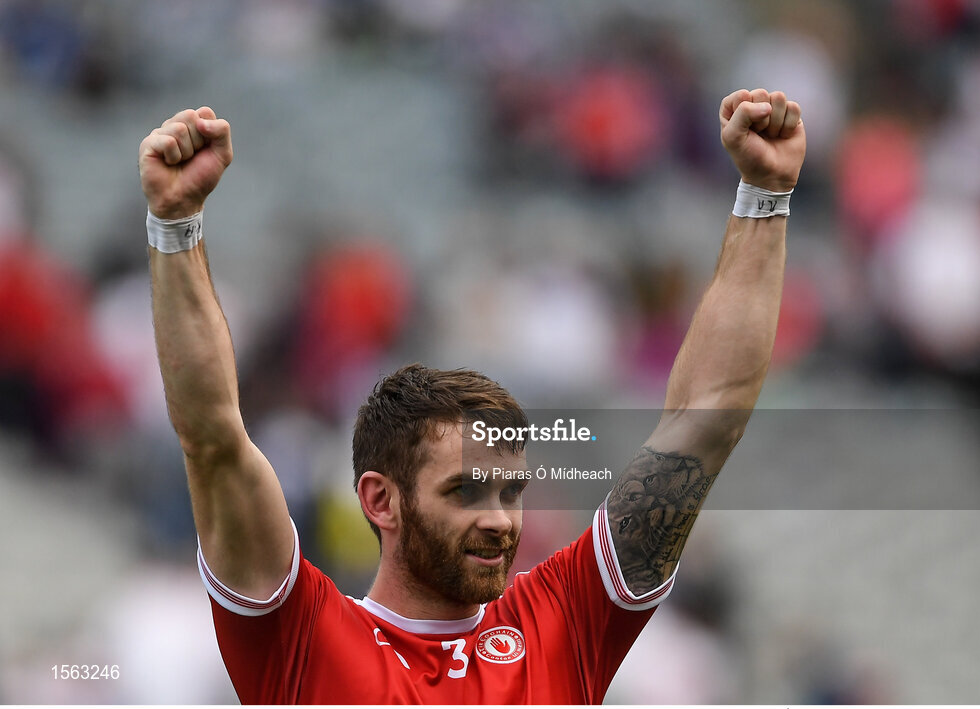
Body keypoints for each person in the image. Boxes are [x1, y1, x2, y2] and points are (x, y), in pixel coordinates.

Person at [139, 88, 805, 704]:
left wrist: (764, 195)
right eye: (465, 490)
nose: (500, 519)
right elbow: (213, 439)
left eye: (509, 492)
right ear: (380, 500)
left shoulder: (564, 619)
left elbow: (703, 425)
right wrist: (174, 227)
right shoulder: (298, 636)